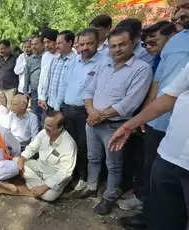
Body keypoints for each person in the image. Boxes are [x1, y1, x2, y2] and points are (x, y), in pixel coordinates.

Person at [119, 0, 189, 227]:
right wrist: (140, 117)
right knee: (160, 196)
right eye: (177, 7)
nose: (179, 13)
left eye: (187, 6)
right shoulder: (179, 44)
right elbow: (162, 83)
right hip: (165, 131)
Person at [77, 27, 152, 215]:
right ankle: (92, 186)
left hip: (115, 126)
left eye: (121, 45)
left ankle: (109, 196)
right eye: (113, 46)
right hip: (93, 122)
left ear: (132, 43)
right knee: (93, 158)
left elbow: (129, 103)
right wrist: (91, 111)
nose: (117, 49)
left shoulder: (141, 69)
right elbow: (88, 90)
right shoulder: (104, 65)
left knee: (114, 165)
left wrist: (100, 115)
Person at [116, 21, 177, 213]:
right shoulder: (161, 60)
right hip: (152, 122)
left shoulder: (147, 64)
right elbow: (154, 93)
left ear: (172, 37)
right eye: (146, 43)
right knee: (147, 165)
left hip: (172, 125)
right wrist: (142, 119)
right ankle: (145, 206)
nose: (149, 47)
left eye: (153, 41)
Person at [57, 28, 104, 194]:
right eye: (82, 44)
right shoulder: (75, 61)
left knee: (86, 148)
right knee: (70, 146)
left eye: (89, 44)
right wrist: (59, 107)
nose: (84, 48)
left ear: (97, 43)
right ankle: (73, 176)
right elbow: (64, 84)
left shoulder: (104, 62)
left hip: (86, 112)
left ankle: (85, 179)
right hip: (68, 110)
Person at [18, 111, 77, 201]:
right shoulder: (43, 133)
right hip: (39, 167)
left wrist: (44, 187)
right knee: (16, 161)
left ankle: (35, 184)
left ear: (60, 127)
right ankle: (37, 184)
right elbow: (32, 148)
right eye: (45, 124)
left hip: (54, 176)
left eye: (49, 126)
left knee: (49, 196)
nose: (45, 127)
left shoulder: (69, 145)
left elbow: (64, 172)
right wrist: (22, 159)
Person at [38, 30, 77, 112]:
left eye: (59, 43)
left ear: (70, 42)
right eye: (57, 43)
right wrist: (42, 97)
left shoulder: (76, 61)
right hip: (49, 104)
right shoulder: (55, 60)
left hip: (64, 107)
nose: (57, 46)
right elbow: (46, 79)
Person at [23, 36, 45, 127]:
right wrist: (25, 91)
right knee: (35, 115)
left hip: (46, 93)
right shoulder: (30, 59)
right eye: (32, 44)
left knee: (46, 116)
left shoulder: (47, 57)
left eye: (36, 44)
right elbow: (26, 76)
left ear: (42, 44)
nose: (33, 46)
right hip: (34, 93)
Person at [0, 40, 18, 107]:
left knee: (11, 108)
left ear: (9, 48)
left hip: (11, 89)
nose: (1, 51)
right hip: (0, 88)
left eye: (3, 48)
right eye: (0, 49)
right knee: (2, 108)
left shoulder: (16, 58)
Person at [39, 28, 59, 96]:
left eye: (48, 42)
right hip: (44, 96)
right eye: (44, 43)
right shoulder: (45, 56)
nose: (46, 45)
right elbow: (42, 77)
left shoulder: (62, 56)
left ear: (56, 41)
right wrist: (41, 96)